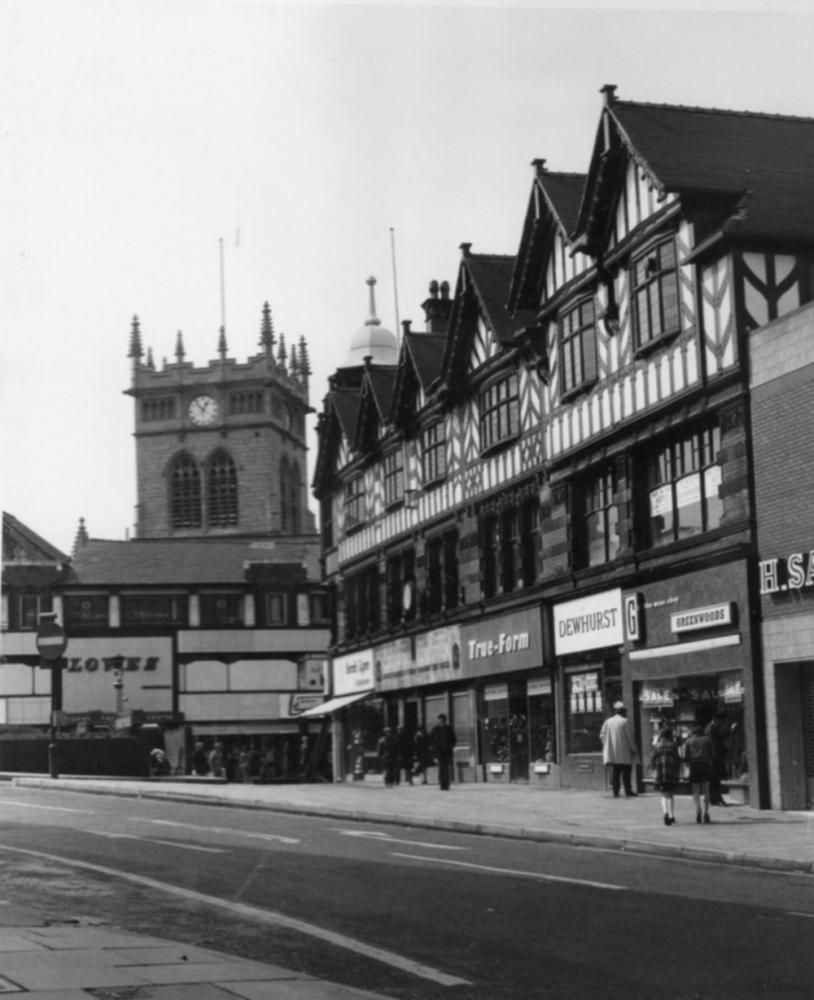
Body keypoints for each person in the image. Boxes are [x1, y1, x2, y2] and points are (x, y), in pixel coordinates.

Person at [599, 701, 639, 797]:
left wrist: (607, 745)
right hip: (624, 751)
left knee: (616, 772)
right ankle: (628, 791)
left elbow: (602, 735)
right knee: (626, 773)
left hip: (613, 752)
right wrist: (633, 749)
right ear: (623, 713)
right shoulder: (625, 721)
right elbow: (629, 737)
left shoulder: (608, 721)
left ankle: (615, 791)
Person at [683, 723, 715, 824]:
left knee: (695, 791)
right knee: (706, 790)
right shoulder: (707, 740)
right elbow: (713, 754)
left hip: (694, 766)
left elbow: (685, 757)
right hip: (705, 765)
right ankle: (706, 812)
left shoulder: (689, 741)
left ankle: (698, 809)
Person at [650, 727, 681, 825]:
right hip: (671, 773)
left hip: (660, 774)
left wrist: (654, 768)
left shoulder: (657, 746)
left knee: (664, 794)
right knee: (671, 794)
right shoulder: (673, 746)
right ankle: (672, 816)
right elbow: (677, 760)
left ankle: (665, 813)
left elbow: (652, 759)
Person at [705, 711, 730, 806]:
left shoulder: (714, 728)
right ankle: (716, 798)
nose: (722, 723)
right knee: (714, 779)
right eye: (721, 721)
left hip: (717, 757)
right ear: (716, 720)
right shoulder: (711, 730)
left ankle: (715, 798)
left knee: (716, 779)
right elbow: (715, 744)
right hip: (715, 758)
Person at [430, 713, 456, 791]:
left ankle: (447, 785)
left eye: (442, 720)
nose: (441, 722)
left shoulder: (449, 729)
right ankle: (442, 785)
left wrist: (451, 746)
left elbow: (454, 739)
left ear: (445, 721)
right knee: (441, 769)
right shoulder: (435, 730)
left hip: (447, 752)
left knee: (446, 769)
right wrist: (434, 753)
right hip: (439, 753)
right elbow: (431, 741)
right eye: (440, 720)